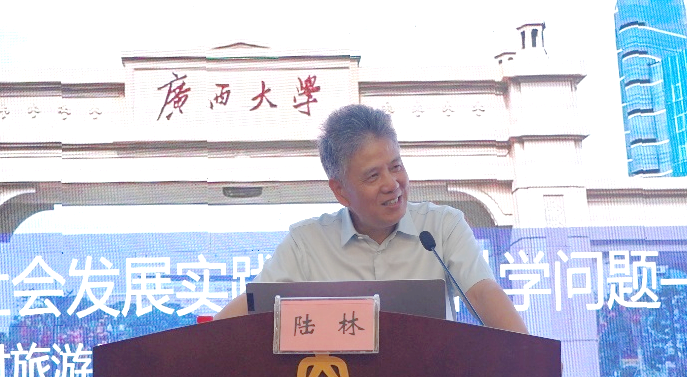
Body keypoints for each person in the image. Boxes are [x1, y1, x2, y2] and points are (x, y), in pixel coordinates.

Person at [215, 104, 527, 334]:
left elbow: (482, 293)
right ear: (340, 191)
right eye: (373, 176)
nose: (392, 184)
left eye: (396, 166)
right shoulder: (307, 243)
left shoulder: (442, 227)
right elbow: (251, 308)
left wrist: (533, 360)